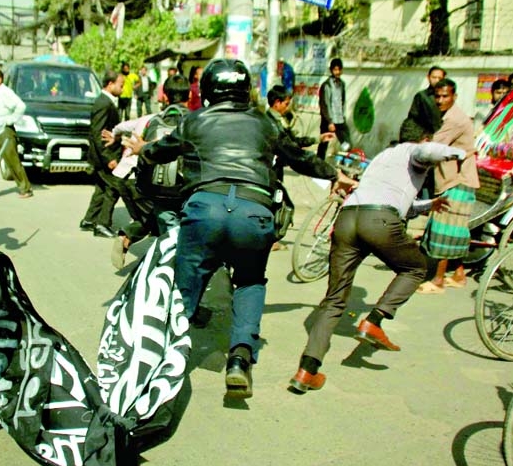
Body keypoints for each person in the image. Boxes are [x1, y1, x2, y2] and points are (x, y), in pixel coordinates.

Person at [125, 59, 353, 399]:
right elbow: (298, 157)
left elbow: (159, 152)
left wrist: (142, 149)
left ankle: (160, 363)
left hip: (204, 212)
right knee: (249, 282)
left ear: (207, 90)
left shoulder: (195, 121)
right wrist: (335, 174)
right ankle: (240, 360)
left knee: (186, 291)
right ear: (245, 89)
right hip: (254, 213)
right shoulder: (265, 124)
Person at [289, 120, 462, 394]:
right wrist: (459, 152)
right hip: (377, 222)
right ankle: (375, 320)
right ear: (425, 139)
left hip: (348, 218)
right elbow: (424, 155)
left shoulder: (383, 157)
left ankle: (306, 371)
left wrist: (430, 204)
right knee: (416, 268)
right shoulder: (412, 151)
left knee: (334, 300)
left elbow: (395, 202)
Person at [105, 73, 191, 268]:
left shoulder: (151, 120)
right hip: (188, 192)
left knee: (160, 225)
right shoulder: (197, 122)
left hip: (157, 190)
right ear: (191, 96)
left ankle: (128, 238)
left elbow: (140, 151)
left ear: (165, 97)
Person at [416, 78, 480, 294]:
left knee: (444, 229)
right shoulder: (447, 117)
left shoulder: (455, 120)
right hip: (453, 178)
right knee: (455, 230)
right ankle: (459, 274)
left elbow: (435, 147)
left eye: (445, 96)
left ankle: (438, 280)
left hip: (458, 180)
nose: (440, 100)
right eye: (438, 96)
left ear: (454, 97)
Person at [266, 84, 336, 249]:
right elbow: (291, 150)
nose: (287, 107)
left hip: (275, 171)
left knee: (276, 203)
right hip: (270, 172)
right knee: (277, 204)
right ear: (277, 102)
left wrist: (317, 139)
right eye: (285, 103)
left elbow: (292, 142)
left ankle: (270, 239)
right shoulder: (271, 124)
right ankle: (269, 240)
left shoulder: (278, 121)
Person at [80, 70, 126, 239]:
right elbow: (97, 133)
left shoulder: (107, 101)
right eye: (120, 85)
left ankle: (89, 220)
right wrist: (109, 159)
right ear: (110, 84)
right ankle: (102, 224)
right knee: (114, 188)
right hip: (104, 156)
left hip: (103, 155)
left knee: (101, 188)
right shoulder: (103, 103)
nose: (123, 89)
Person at [0, 68, 33, 199]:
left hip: (5, 132)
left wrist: (11, 120)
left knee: (12, 161)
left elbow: (21, 106)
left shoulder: (5, 92)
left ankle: (25, 188)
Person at [317, 57, 351, 160]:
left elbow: (342, 101)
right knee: (324, 143)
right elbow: (324, 104)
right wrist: (330, 121)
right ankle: (319, 164)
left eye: (339, 69)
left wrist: (342, 116)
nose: (337, 72)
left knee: (346, 142)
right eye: (335, 69)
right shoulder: (327, 85)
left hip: (339, 119)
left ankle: (345, 163)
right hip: (328, 120)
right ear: (331, 70)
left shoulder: (342, 84)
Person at [405, 66, 446, 137]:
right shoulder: (422, 96)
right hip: (426, 137)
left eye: (439, 78)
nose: (437, 80)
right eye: (434, 77)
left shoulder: (447, 97)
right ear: (428, 77)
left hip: (444, 135)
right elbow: (413, 119)